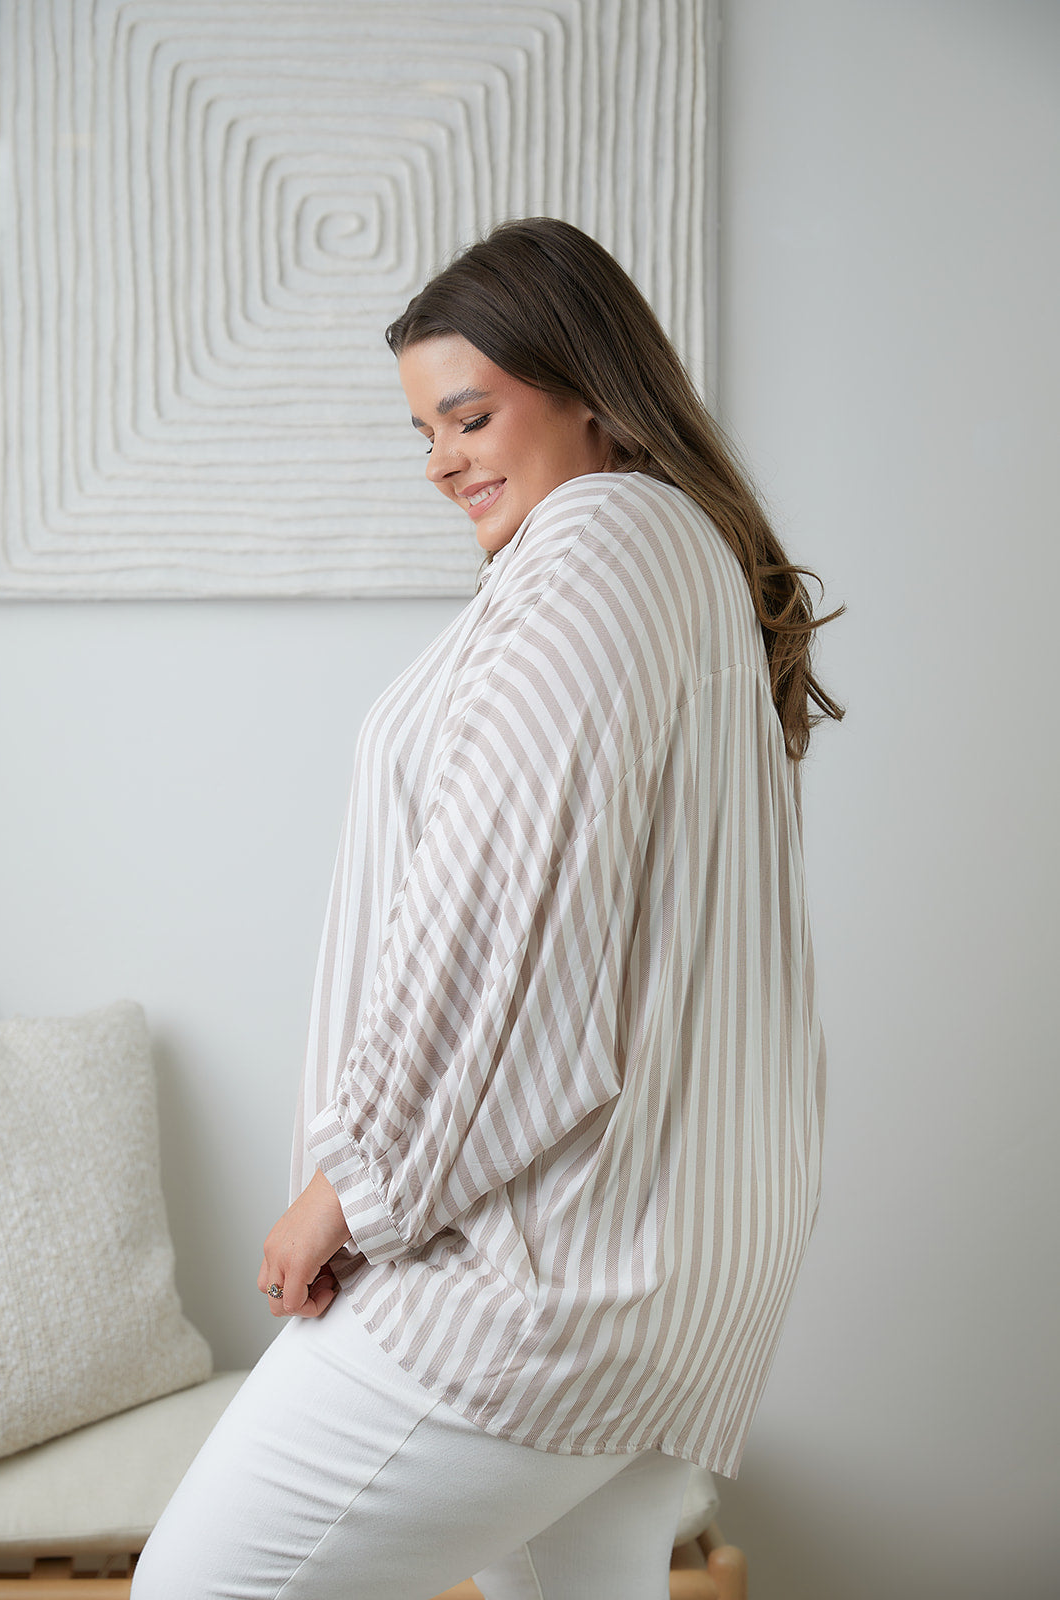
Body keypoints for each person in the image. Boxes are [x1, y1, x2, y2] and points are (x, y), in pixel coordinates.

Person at [132, 217, 842, 1600]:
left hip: (536, 1268)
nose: (442, 460)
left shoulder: (599, 542)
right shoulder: (668, 555)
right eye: (424, 432)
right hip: (653, 1267)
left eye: (469, 416)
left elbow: (502, 906)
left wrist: (354, 1185)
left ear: (594, 395)